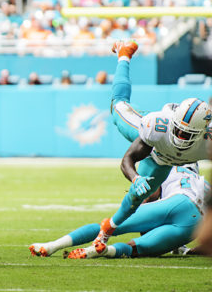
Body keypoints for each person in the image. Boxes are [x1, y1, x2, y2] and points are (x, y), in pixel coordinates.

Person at [67, 40, 212, 259]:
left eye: (187, 134)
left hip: (170, 168)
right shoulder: (157, 127)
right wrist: (135, 179)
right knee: (118, 107)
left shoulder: (207, 144)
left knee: (149, 199)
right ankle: (124, 55)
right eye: (178, 130)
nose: (180, 136)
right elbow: (128, 159)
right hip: (155, 146)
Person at [29, 164, 208, 258]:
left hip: (178, 202)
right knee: (135, 249)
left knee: (111, 226)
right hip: (192, 225)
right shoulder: (202, 181)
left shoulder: (167, 167)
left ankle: (52, 246)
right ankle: (103, 251)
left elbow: (149, 194)